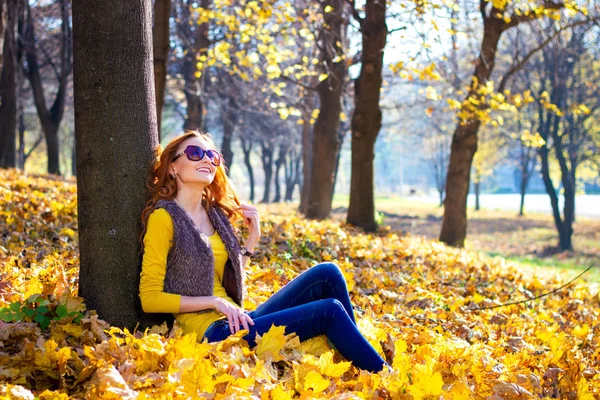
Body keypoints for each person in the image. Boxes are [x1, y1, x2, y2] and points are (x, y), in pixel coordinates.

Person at [139, 130, 390, 373]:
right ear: (173, 166)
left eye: (212, 155)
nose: (206, 159)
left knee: (328, 273)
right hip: (216, 334)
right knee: (330, 310)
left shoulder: (213, 214)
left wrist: (251, 242)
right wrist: (214, 303)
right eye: (194, 152)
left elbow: (228, 281)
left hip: (240, 320)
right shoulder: (164, 218)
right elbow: (149, 299)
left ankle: (357, 355)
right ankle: (385, 377)